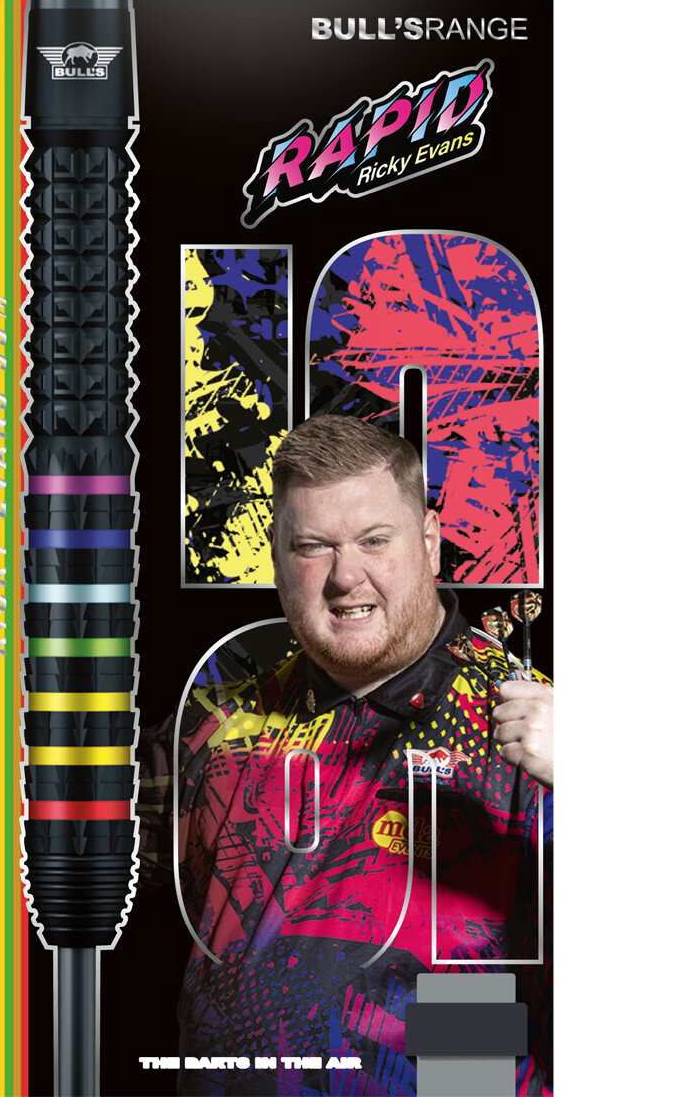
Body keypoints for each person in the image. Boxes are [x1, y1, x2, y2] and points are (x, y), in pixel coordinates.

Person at [139, 416, 553, 1095]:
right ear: (277, 559)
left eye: (374, 540)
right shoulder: (216, 726)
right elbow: (51, 848)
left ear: (430, 543)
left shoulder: (529, 730)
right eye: (313, 547)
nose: (345, 576)